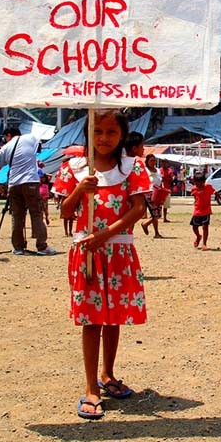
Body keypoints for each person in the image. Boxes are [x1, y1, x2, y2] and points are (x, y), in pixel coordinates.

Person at [60, 110, 151, 420]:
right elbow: (64, 212)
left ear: (121, 136)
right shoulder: (74, 169)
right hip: (87, 254)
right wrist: (79, 190)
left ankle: (108, 374)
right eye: (97, 131)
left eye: (111, 132)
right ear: (88, 132)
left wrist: (106, 234)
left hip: (118, 252)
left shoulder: (132, 167)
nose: (103, 138)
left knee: (113, 318)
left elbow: (138, 209)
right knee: (92, 320)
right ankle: (90, 388)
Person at [0, 127, 57, 256]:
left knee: (17, 216)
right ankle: (41, 246)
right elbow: (37, 150)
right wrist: (34, 161)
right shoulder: (30, 137)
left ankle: (18, 247)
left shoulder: (6, 147)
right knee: (36, 213)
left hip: (14, 184)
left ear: (9, 135)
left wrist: (3, 153)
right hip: (30, 181)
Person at [190, 170, 221, 251]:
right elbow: (195, 197)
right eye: (197, 184)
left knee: (205, 227)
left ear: (204, 182)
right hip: (197, 210)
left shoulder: (208, 187)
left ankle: (204, 244)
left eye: (201, 184)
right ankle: (198, 236)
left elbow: (216, 193)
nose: (199, 185)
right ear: (194, 182)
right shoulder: (194, 189)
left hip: (206, 211)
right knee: (194, 227)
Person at [141, 154, 165, 238]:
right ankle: (151, 228)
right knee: (155, 213)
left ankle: (148, 226)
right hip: (149, 193)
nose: (153, 162)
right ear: (147, 161)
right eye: (151, 160)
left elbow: (160, 181)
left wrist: (162, 190)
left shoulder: (158, 170)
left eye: (154, 160)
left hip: (158, 193)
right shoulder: (145, 170)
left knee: (158, 213)